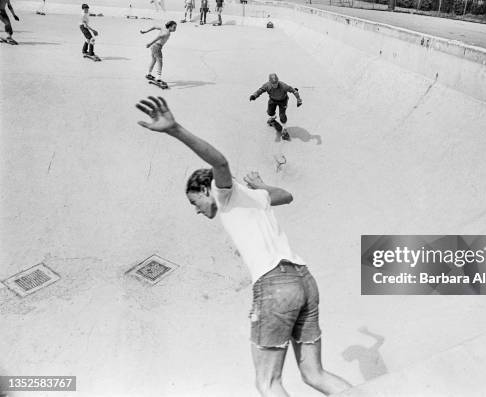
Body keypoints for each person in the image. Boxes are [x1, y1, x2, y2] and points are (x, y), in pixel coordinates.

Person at [135, 96, 352, 397]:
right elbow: (286, 195)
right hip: (304, 280)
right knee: (315, 374)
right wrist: (261, 186)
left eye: (194, 202)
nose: (197, 210)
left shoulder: (224, 193)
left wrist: (175, 129)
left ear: (205, 189)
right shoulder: (254, 196)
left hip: (275, 285)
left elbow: (219, 162)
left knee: (268, 383)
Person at [250, 73, 302, 140]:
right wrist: (254, 95)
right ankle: (272, 118)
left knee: (282, 116)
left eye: (276, 83)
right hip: (273, 100)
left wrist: (298, 100)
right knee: (270, 112)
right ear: (270, 82)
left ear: (278, 81)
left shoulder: (283, 85)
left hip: (283, 101)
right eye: (273, 84)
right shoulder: (267, 85)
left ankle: (285, 129)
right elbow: (260, 90)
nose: (275, 85)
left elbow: (294, 91)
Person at [140, 21, 177, 88]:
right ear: (170, 26)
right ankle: (158, 78)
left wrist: (145, 31)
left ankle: (149, 74)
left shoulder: (163, 28)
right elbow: (159, 36)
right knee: (160, 62)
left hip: (154, 47)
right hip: (157, 47)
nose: (175, 29)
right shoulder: (167, 33)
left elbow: (154, 26)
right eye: (174, 27)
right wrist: (149, 43)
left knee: (153, 60)